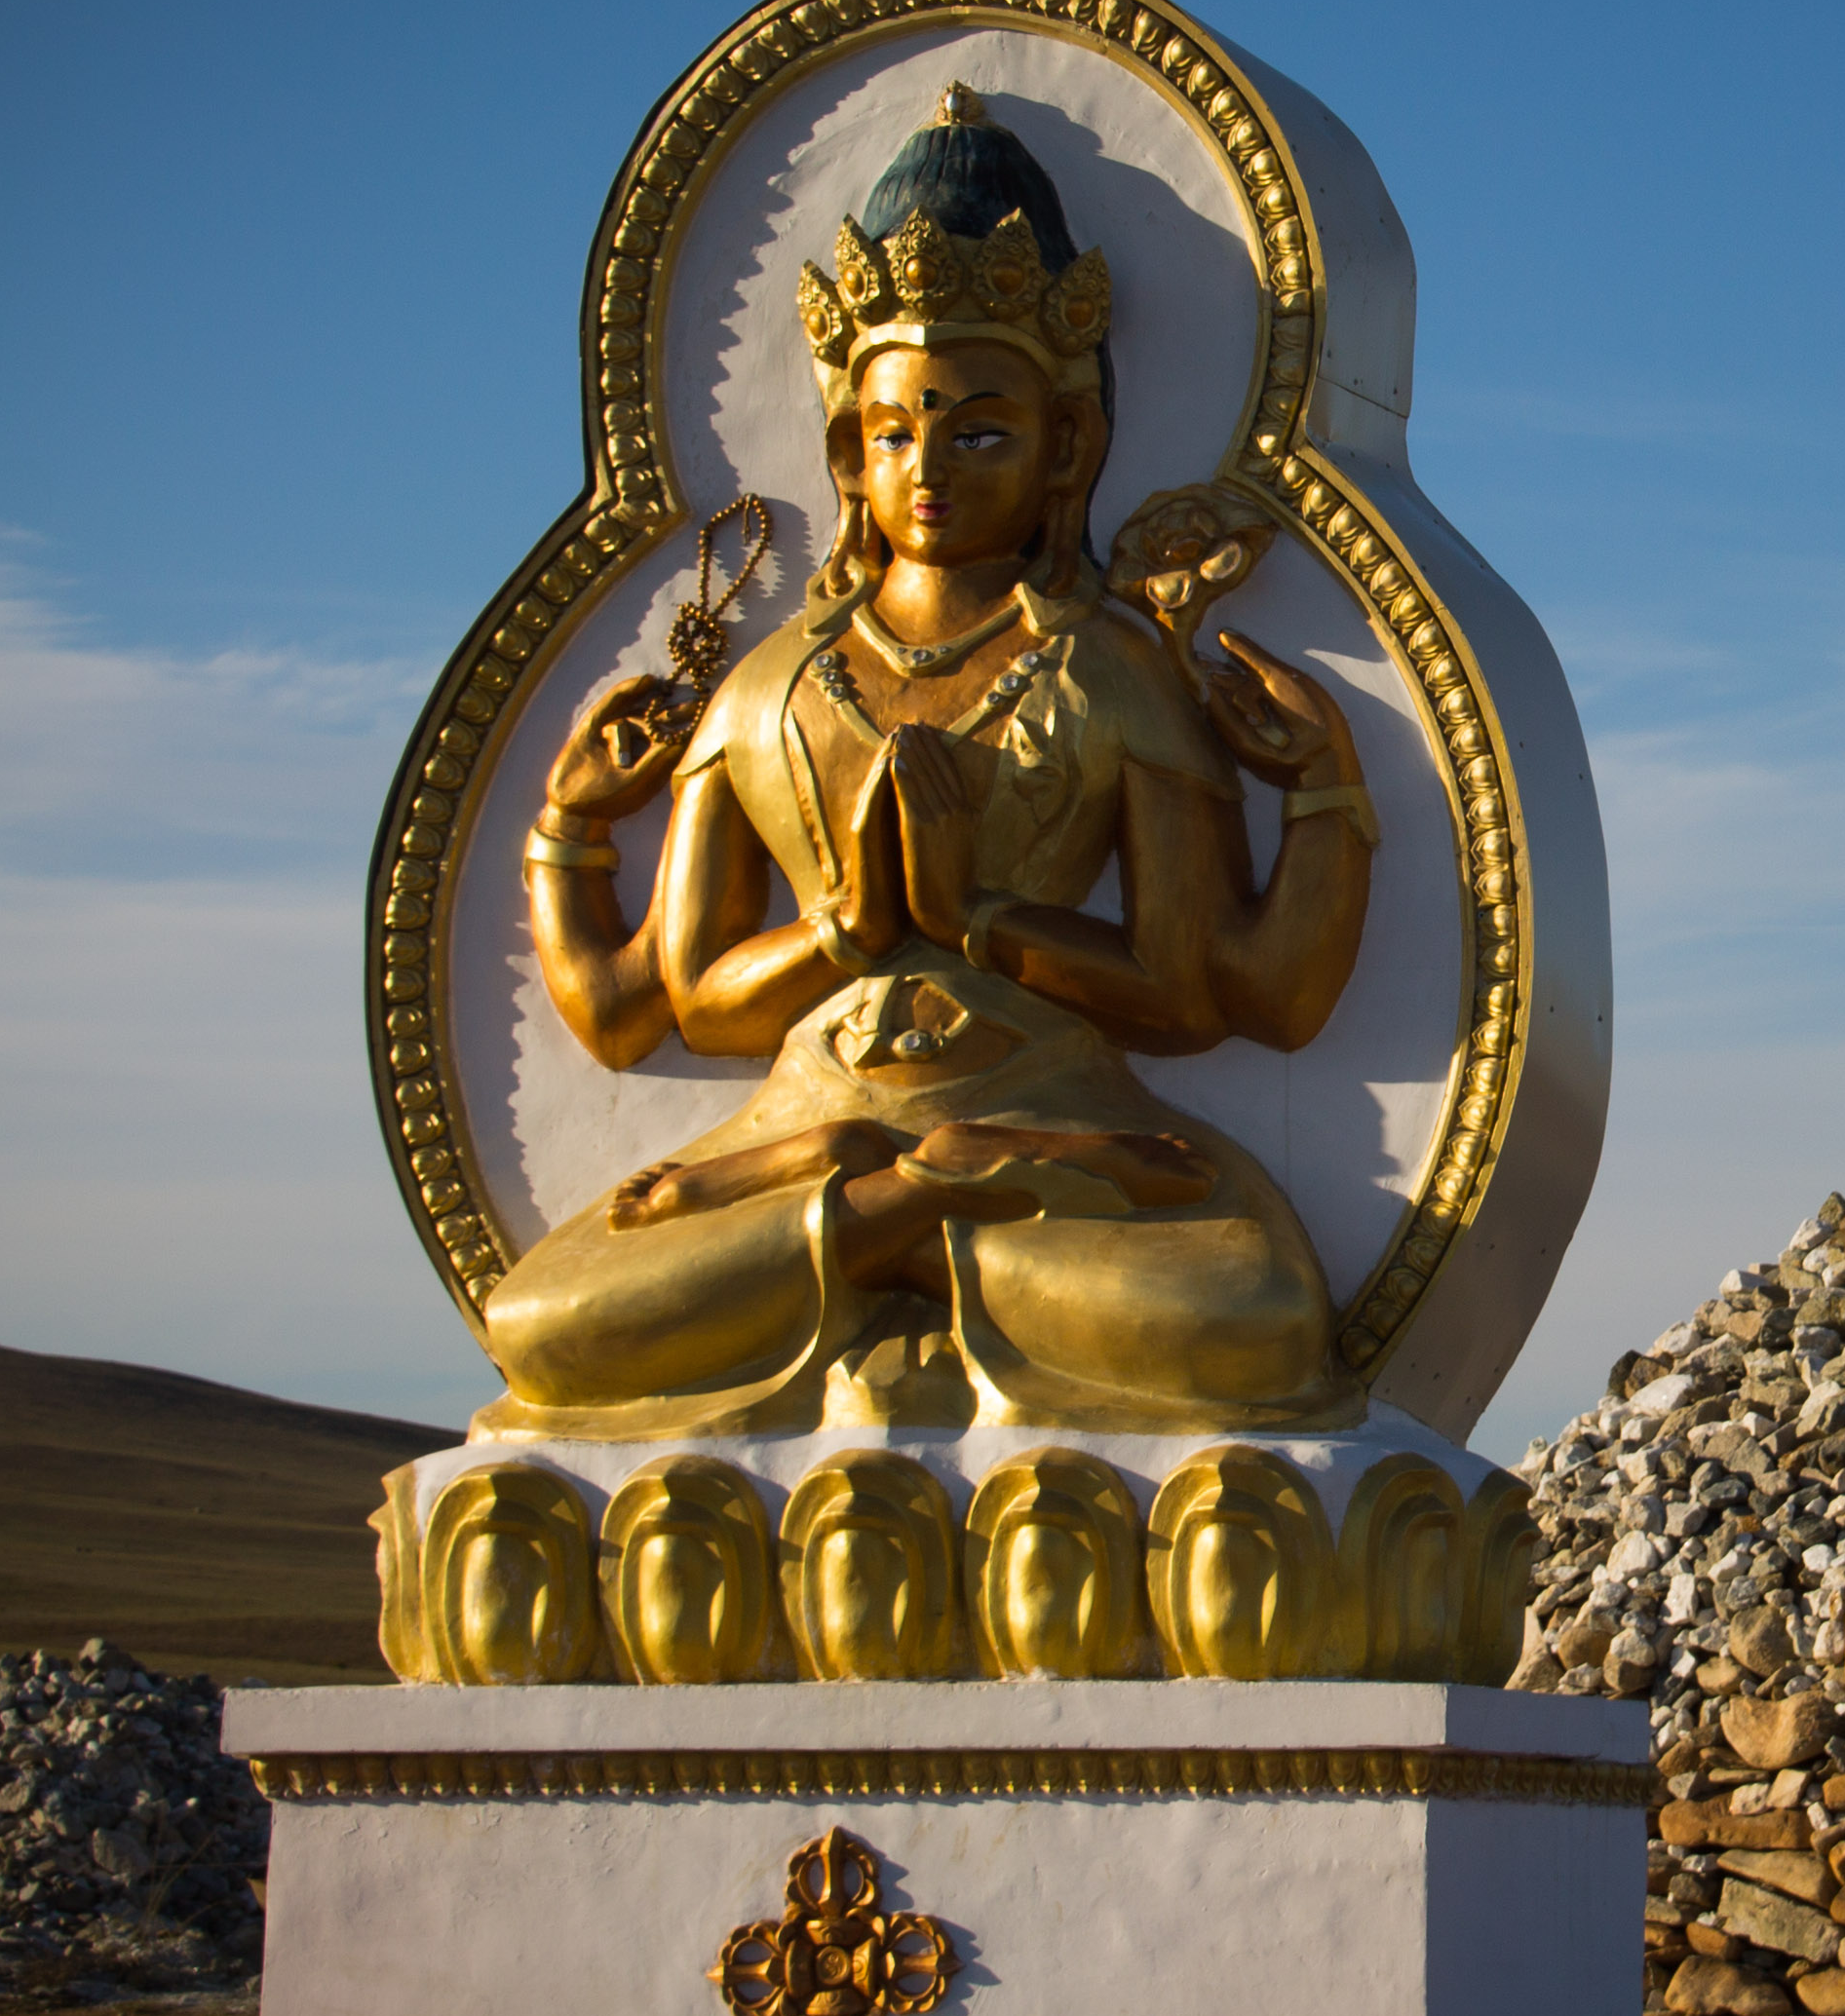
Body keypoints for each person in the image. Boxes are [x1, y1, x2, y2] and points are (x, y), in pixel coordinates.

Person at [475, 87, 1377, 1439]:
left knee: (1254, 1314)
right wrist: (840, 928)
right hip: (816, 1122)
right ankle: (920, 1197)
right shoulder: (770, 683)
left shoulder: (1111, 672)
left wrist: (1308, 796)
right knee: (541, 1325)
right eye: (895, 434)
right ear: (847, 447)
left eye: (981, 433)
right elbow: (683, 1005)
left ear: (1067, 443)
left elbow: (1211, 997)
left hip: (1052, 1104)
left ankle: (904, 1205)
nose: (930, 470)